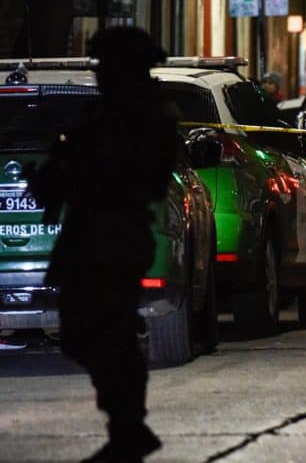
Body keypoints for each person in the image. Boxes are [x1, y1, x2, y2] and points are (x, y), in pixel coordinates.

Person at [28, 27, 178, 462]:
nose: (100, 74)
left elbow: (138, 175)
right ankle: (126, 423)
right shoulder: (104, 113)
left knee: (104, 329)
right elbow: (68, 166)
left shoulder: (144, 115)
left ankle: (128, 425)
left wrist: (83, 170)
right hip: (91, 233)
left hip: (116, 234)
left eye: (106, 65)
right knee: (84, 331)